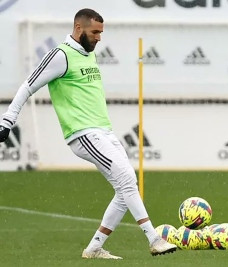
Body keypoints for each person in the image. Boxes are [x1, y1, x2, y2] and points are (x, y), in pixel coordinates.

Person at [0, 8, 177, 259]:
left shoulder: (88, 53)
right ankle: (154, 238)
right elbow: (28, 85)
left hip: (104, 131)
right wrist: (7, 120)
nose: (99, 38)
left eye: (101, 32)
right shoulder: (60, 55)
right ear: (79, 28)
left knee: (125, 188)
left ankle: (94, 247)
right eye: (95, 32)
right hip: (82, 134)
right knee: (127, 180)